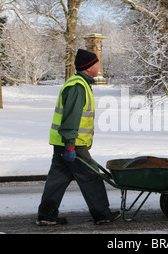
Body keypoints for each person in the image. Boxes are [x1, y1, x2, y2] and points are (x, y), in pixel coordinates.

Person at [37, 49, 120, 226]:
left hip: (65, 143)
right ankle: (102, 214)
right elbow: (71, 117)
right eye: (96, 63)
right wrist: (70, 145)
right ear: (89, 67)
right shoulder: (77, 86)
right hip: (72, 144)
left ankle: (46, 215)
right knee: (91, 177)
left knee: (57, 180)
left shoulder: (79, 83)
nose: (98, 66)